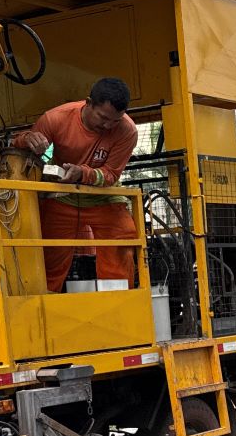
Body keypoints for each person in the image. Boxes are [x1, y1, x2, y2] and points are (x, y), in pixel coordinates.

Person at [10, 77, 139, 293]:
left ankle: (118, 299)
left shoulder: (128, 131)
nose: (108, 126)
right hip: (62, 195)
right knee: (47, 251)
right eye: (103, 118)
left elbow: (110, 175)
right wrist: (28, 139)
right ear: (88, 102)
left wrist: (82, 173)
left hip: (103, 197)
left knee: (123, 234)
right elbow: (19, 148)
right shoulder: (56, 118)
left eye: (115, 121)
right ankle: (46, 301)